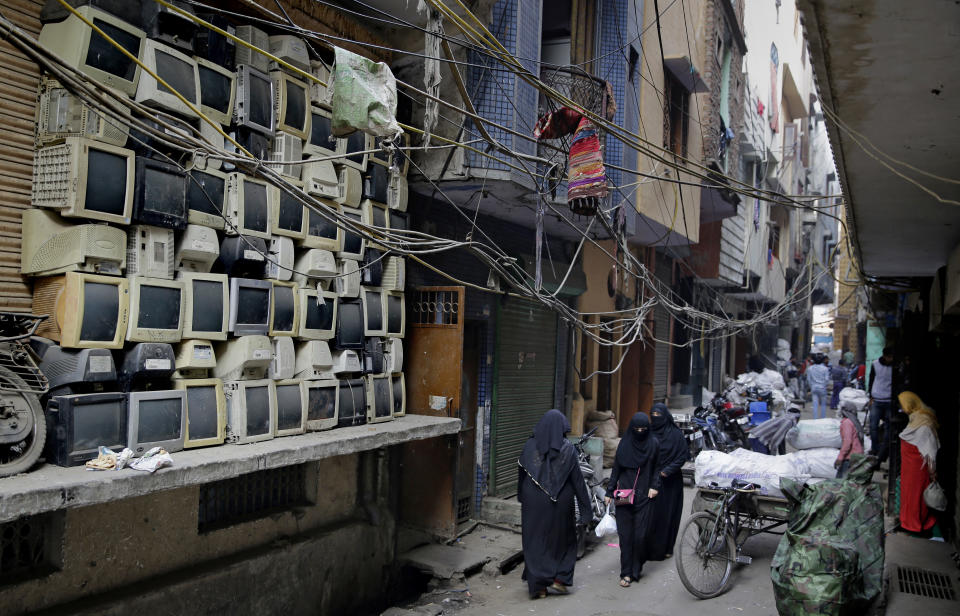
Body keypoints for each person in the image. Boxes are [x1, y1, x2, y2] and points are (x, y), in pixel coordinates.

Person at [518, 409, 591, 599]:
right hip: (560, 502)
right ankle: (559, 579)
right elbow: (578, 482)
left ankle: (538, 587)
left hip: (532, 502)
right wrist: (586, 511)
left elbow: (522, 475)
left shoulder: (529, 446)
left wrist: (521, 498)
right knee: (563, 540)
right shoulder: (567, 448)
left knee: (534, 542)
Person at [605, 412, 660, 587]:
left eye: (643, 429)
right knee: (625, 536)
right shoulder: (624, 445)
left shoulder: (653, 444)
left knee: (640, 536)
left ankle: (636, 568)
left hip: (645, 495)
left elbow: (657, 468)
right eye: (636, 429)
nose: (640, 432)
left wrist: (655, 486)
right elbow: (616, 469)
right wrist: (609, 491)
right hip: (624, 495)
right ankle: (626, 573)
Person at [647, 403, 689, 561]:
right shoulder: (649, 432)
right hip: (651, 481)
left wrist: (666, 471)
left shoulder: (676, 434)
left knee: (668, 515)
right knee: (652, 516)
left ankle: (666, 548)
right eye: (653, 415)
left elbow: (682, 455)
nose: (655, 419)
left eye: (659, 416)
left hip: (671, 483)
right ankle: (650, 549)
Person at [897, 392, 940, 534]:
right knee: (908, 497)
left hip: (918, 471)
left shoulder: (924, 424)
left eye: (902, 405)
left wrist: (932, 472)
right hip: (909, 470)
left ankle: (915, 526)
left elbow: (931, 451)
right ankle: (907, 522)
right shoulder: (915, 419)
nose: (901, 408)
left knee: (915, 498)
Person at [868, 347, 894, 463]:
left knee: (889, 428)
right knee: (873, 426)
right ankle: (875, 449)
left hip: (889, 400)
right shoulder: (875, 364)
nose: (890, 359)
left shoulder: (895, 366)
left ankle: (883, 453)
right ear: (884, 356)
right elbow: (871, 379)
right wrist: (870, 395)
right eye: (889, 357)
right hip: (877, 399)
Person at [834, 402, 864, 478]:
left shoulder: (847, 423)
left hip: (850, 458)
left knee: (841, 482)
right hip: (857, 456)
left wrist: (840, 458)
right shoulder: (854, 422)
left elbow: (847, 442)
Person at [805, 355, 830, 419]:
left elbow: (808, 379)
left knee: (815, 404)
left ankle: (815, 418)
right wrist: (825, 385)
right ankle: (823, 418)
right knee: (823, 404)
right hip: (822, 387)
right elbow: (827, 379)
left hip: (814, 387)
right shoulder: (825, 368)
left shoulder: (810, 368)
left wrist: (811, 386)